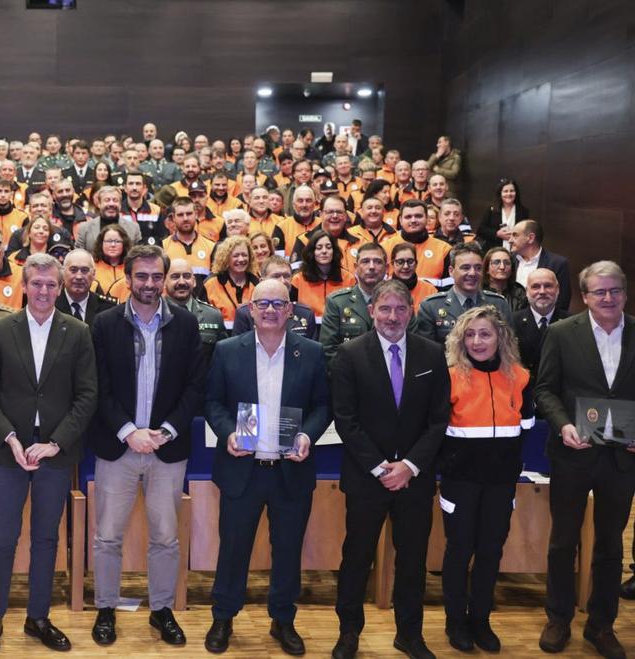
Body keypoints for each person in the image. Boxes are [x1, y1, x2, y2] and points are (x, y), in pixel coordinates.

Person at [0, 253, 98, 654]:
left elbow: (87, 396)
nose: (43, 291)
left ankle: (38, 618)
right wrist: (10, 438)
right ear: (24, 286)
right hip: (7, 449)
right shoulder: (1, 330)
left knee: (46, 538)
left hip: (55, 451)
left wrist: (56, 443)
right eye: (36, 283)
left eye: (50, 284)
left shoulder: (77, 332)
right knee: (2, 537)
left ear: (59, 288)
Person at [203, 279, 331, 655]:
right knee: (233, 549)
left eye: (279, 303)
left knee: (288, 550)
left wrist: (307, 435)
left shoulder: (311, 352)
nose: (271, 310)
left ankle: (283, 620)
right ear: (250, 309)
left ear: (290, 310)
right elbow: (212, 403)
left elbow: (323, 405)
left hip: (290, 469)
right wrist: (228, 433)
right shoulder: (228, 350)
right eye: (263, 304)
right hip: (243, 468)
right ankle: (223, 617)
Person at [329, 279, 451, 659]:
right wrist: (381, 468)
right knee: (356, 559)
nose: (392, 317)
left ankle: (409, 635)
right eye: (385, 308)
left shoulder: (432, 354)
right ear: (371, 312)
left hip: (414, 479)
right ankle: (349, 633)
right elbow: (345, 420)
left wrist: (409, 466)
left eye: (400, 309)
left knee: (412, 561)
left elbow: (439, 420)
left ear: (411, 311)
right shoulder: (349, 354)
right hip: (367, 478)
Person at [89, 246, 203, 647]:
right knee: (107, 535)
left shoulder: (186, 324)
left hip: (166, 448)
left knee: (166, 536)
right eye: (142, 276)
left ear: (165, 279)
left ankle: (161, 609)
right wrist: (128, 431)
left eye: (157, 276)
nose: (149, 284)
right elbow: (97, 386)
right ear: (127, 278)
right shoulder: (104, 324)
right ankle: (106, 607)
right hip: (118, 446)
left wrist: (166, 431)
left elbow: (195, 386)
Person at [535, 261, 635, 659]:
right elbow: (545, 390)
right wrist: (562, 425)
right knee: (563, 541)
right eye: (599, 291)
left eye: (615, 290)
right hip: (573, 454)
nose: (608, 298)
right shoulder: (562, 333)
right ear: (585, 296)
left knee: (611, 545)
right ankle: (558, 618)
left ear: (625, 293)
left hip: (621, 459)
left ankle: (601, 625)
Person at [439, 306, 533, 653]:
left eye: (485, 334)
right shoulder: (449, 377)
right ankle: (455, 621)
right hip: (460, 482)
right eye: (470, 334)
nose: (477, 341)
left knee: (491, 551)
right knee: (459, 550)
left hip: (500, 483)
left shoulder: (520, 377)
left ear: (500, 337)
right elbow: (435, 430)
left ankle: (480, 620)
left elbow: (525, 429)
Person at [415, 242, 511, 344]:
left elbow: (508, 346)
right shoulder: (431, 307)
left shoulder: (499, 304)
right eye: (465, 268)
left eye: (478, 268)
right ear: (451, 271)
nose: (472, 273)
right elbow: (427, 349)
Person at [233, 255, 319, 340]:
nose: (283, 281)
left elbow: (311, 348)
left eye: (286, 276)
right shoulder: (245, 314)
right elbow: (239, 347)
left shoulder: (306, 314)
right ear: (261, 281)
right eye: (276, 276)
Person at [164, 257, 226, 366]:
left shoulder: (213, 316)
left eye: (187, 276)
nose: (181, 282)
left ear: (194, 282)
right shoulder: (153, 315)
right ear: (164, 281)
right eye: (175, 277)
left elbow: (222, 361)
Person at [512, 268, 567, 383]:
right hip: (523, 388)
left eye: (548, 286)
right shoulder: (511, 321)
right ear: (527, 291)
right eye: (535, 286)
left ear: (557, 290)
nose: (542, 291)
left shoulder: (571, 322)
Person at [508, 219, 572, 311]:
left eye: (515, 235)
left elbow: (562, 301)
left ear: (530, 238)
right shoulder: (508, 261)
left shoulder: (557, 263)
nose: (510, 240)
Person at [290, 231, 355, 319]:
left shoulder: (349, 279)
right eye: (319, 248)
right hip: (307, 325)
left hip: (339, 324)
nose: (324, 251)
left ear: (334, 251)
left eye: (328, 247)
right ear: (312, 252)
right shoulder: (298, 280)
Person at [202, 236, 258, 329]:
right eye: (236, 256)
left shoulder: (257, 284)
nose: (241, 259)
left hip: (250, 336)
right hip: (220, 336)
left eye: (244, 255)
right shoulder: (210, 284)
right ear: (226, 258)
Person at [58, 248, 117, 324]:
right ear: (63, 273)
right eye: (73, 270)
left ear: (93, 274)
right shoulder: (52, 304)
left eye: (84, 270)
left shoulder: (108, 308)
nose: (79, 276)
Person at [475, 178, 529, 251]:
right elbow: (480, 230)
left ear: (516, 193)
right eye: (505, 191)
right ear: (500, 193)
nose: (509, 194)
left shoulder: (523, 211)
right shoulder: (492, 209)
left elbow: (526, 232)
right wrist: (496, 234)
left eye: (512, 191)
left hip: (516, 252)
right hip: (494, 251)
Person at [389, 242, 439, 314]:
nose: (406, 266)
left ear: (416, 264)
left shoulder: (430, 291)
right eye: (400, 262)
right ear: (392, 264)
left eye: (410, 261)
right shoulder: (382, 290)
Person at [91, 224, 132, 302]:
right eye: (109, 241)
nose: (113, 245)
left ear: (124, 244)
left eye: (117, 241)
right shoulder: (92, 267)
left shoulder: (131, 268)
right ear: (101, 244)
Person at [484, 246, 527, 312]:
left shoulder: (519, 293)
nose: (502, 267)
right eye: (496, 262)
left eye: (507, 263)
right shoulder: (479, 292)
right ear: (487, 268)